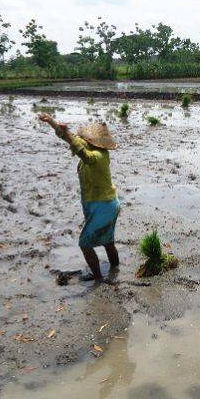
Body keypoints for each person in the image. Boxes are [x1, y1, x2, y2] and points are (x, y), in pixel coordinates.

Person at [38, 113, 120, 283]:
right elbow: (71, 138)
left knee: (85, 244)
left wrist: (68, 136)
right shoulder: (92, 148)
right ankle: (115, 270)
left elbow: (82, 153)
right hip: (103, 203)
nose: (84, 140)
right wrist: (53, 123)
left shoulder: (98, 156)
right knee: (108, 241)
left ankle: (98, 278)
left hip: (103, 205)